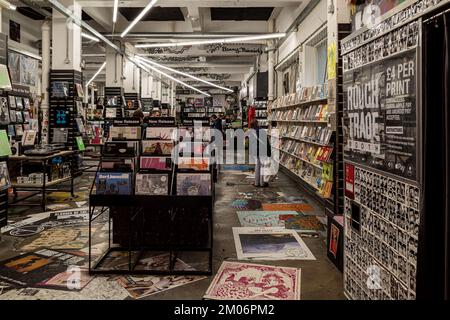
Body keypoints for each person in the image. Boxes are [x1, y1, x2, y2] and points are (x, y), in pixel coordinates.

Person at [249, 119, 271, 188]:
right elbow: (266, 142)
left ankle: (256, 182)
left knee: (257, 166)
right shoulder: (262, 131)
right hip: (262, 151)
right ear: (257, 123)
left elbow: (251, 143)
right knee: (262, 167)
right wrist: (269, 152)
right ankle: (262, 183)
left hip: (255, 151)